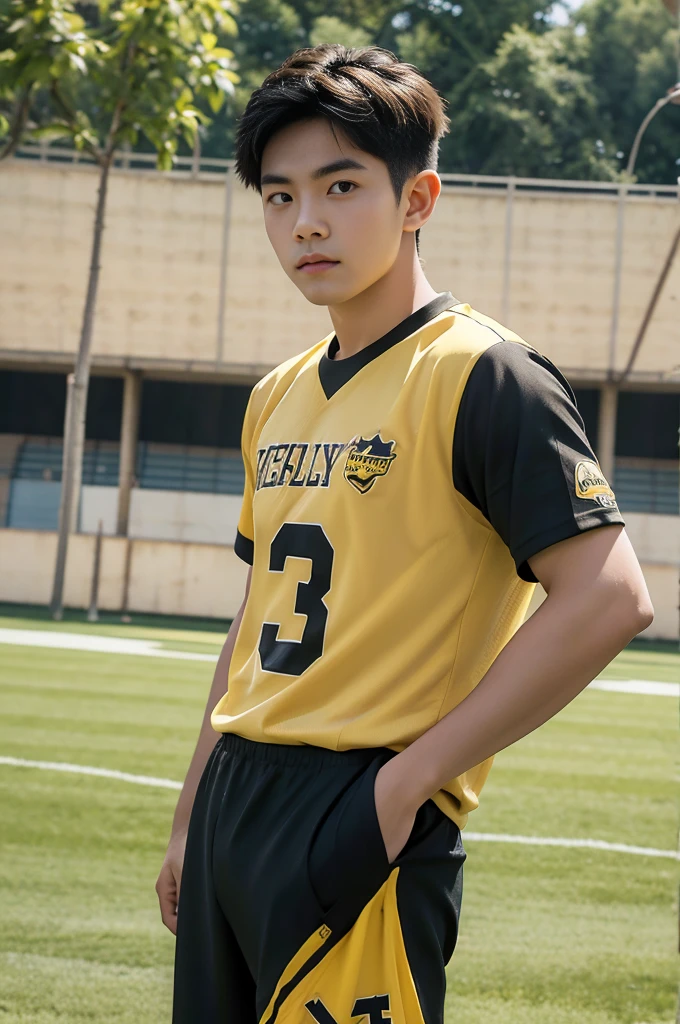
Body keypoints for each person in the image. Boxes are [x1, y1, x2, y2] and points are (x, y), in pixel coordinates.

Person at [157, 43, 654, 1024]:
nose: (306, 221)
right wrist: (189, 815)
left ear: (416, 197)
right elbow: (257, 619)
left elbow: (608, 595)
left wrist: (405, 785)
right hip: (234, 802)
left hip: (357, 805)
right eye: (278, 195)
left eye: (340, 186)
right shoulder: (277, 393)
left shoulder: (484, 375)